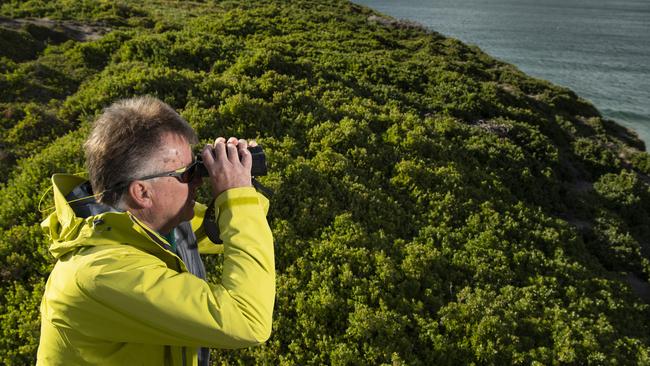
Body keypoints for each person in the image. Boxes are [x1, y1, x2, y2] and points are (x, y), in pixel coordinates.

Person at [36, 96, 275, 365]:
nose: (198, 179)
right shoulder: (101, 274)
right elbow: (247, 320)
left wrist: (242, 184)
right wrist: (236, 195)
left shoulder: (144, 224)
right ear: (142, 192)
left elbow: (228, 230)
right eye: (187, 172)